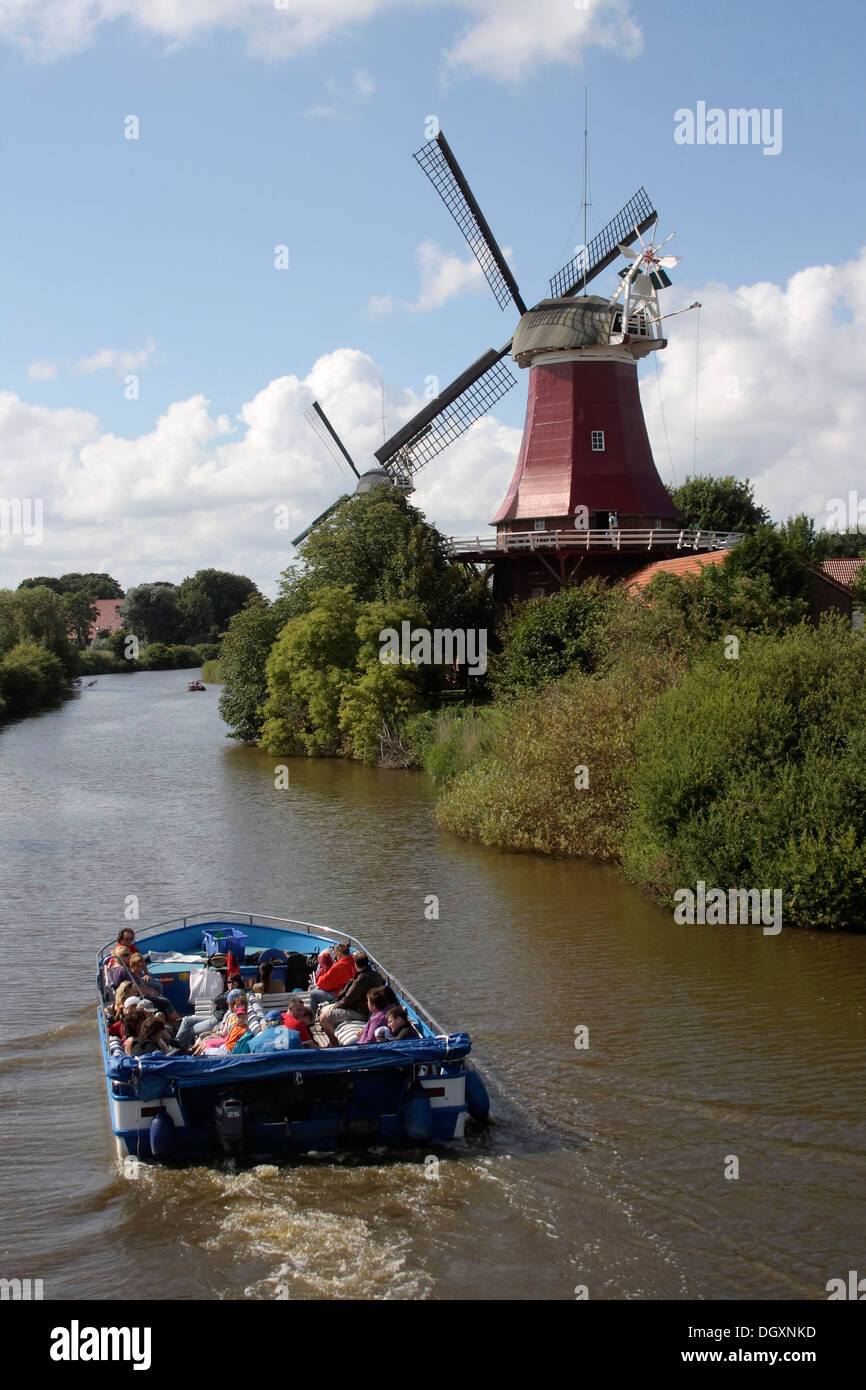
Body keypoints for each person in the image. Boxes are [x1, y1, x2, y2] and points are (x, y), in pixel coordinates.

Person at [319, 953, 384, 1044]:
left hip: (360, 1012)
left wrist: (334, 1007)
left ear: (356, 965)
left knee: (324, 1017)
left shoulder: (360, 980)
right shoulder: (377, 976)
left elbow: (348, 999)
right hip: (370, 1011)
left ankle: (334, 1044)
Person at [308, 943, 356, 1012]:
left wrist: (320, 980)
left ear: (339, 954)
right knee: (313, 987)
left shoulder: (339, 966)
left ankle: (311, 1020)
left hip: (339, 993)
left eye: (336, 956)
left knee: (313, 995)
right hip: (350, 991)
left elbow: (324, 983)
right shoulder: (354, 961)